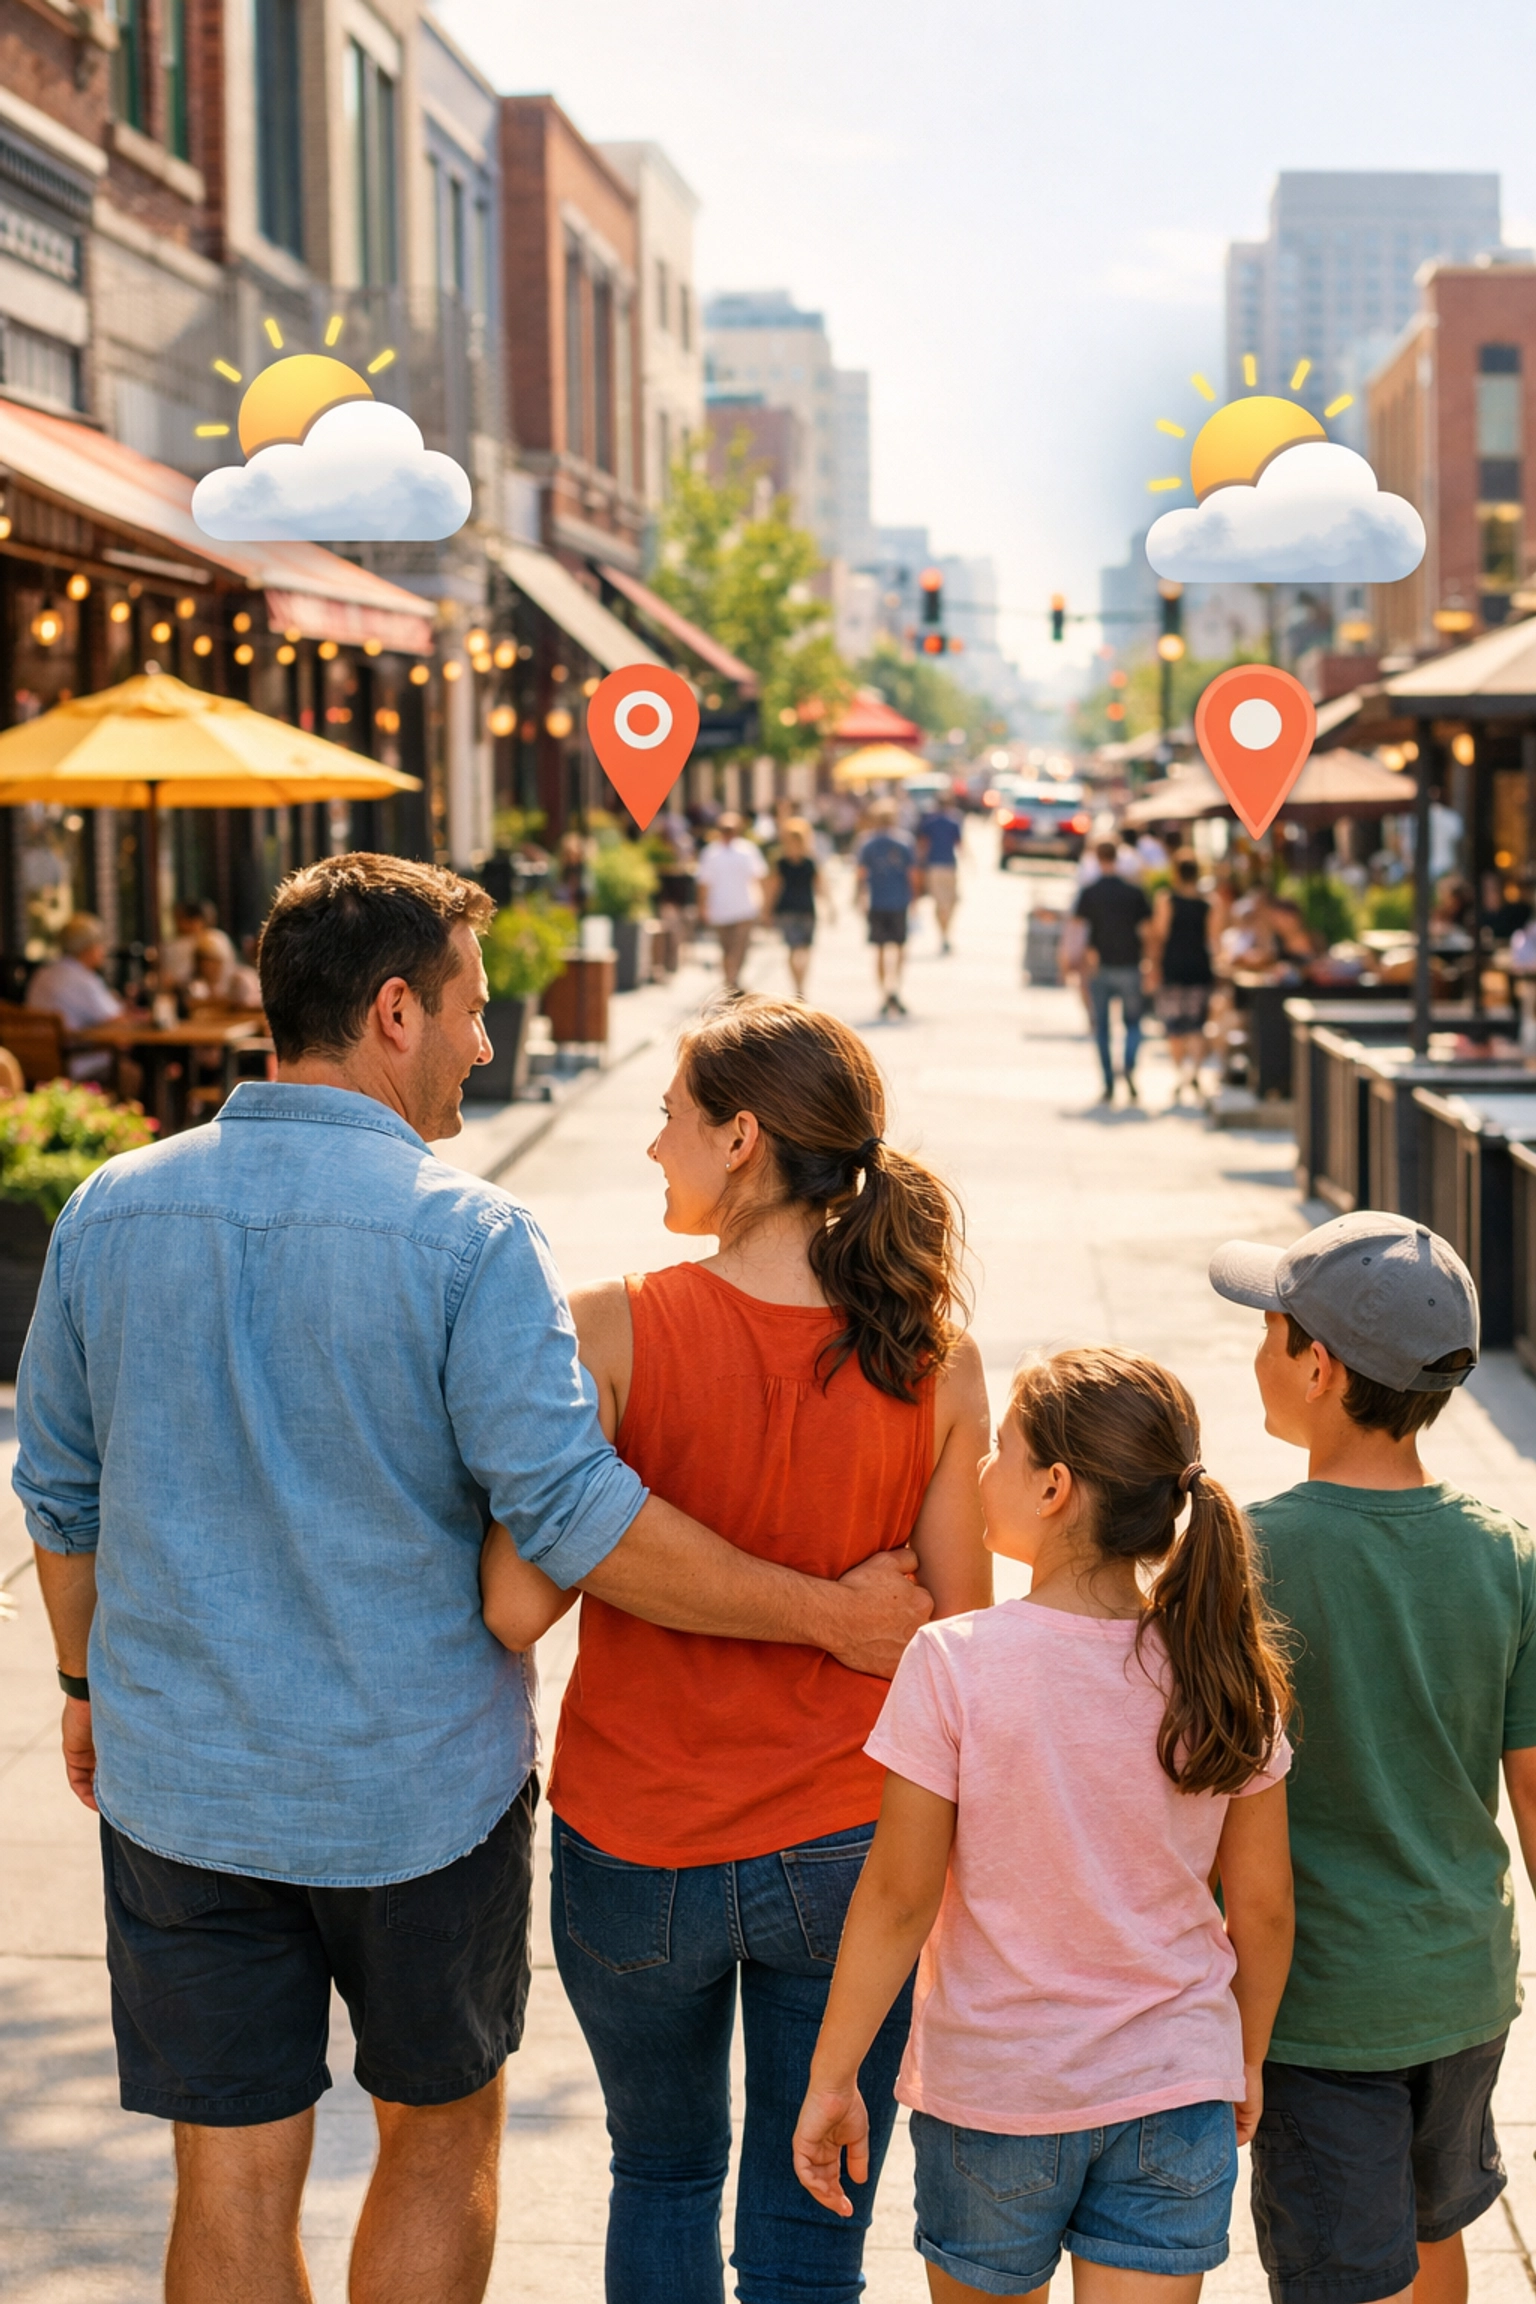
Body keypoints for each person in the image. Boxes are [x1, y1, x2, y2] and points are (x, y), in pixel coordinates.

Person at [14, 854, 928, 2304]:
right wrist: (830, 1612)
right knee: (436, 2147)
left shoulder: (111, 1213)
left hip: (183, 1786)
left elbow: (58, 1494)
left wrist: (81, 1684)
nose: (488, 1043)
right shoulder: (469, 1236)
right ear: (393, 1012)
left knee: (230, 2170)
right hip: (419, 1795)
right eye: (472, 1011)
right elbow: (571, 1517)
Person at [481, 995, 993, 2304]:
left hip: (637, 1839)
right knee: (815, 2201)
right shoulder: (933, 1357)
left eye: (669, 1121)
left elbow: (517, 1607)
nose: (655, 1148)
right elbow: (960, 1646)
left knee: (657, 2172)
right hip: (849, 1846)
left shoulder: (610, 1329)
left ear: (741, 1139)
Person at [793, 1344, 1295, 2304]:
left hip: (997, 2095)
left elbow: (900, 1898)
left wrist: (833, 2076)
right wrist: (1244, 2058)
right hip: (1173, 2085)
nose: (981, 1469)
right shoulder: (1224, 1671)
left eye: (1001, 1450)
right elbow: (1264, 1909)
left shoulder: (954, 1664)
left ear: (1055, 1486)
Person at [1208, 1211, 1536, 2304]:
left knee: (1348, 2273)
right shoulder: (1506, 1556)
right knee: (1435, 2229)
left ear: (1317, 1365)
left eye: (1269, 1329)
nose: (1256, 1348)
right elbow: (1531, 1794)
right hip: (1464, 1985)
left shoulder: (1247, 1553)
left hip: (1322, 2009)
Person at [1073, 838, 1153, 1103]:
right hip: (1130, 964)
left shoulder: (1091, 891)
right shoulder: (1133, 892)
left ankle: (1108, 1081)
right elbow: (1147, 930)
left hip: (1101, 966)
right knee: (1133, 1023)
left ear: (1097, 858)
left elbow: (1079, 928)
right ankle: (1128, 1065)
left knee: (1103, 1028)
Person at [27, 913, 127, 1082]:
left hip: (36, 1067)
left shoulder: (41, 974)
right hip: (75, 1065)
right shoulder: (83, 979)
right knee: (131, 1074)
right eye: (100, 944)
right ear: (88, 948)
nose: (103, 950)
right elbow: (118, 1020)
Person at [1149, 851, 1216, 1103]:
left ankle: (1180, 1075)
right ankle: (1194, 1074)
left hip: (1174, 968)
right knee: (1197, 1025)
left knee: (1175, 1026)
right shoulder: (1208, 903)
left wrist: (1152, 965)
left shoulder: (1167, 900)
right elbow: (1214, 939)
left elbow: (1159, 934)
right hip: (1199, 967)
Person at [857, 798, 918, 1019]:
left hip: (878, 901)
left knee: (880, 950)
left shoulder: (867, 843)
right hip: (899, 901)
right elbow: (912, 874)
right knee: (900, 948)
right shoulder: (904, 841)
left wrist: (859, 897)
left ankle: (885, 993)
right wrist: (915, 899)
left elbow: (861, 875)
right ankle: (895, 989)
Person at [695, 812, 767, 992]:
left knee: (740, 948)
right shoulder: (711, 853)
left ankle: (733, 979)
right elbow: (704, 883)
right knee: (727, 948)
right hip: (721, 909)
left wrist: (763, 903)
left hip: (744, 907)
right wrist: (703, 906)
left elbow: (759, 877)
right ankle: (730, 981)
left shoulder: (747, 850)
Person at [765, 816, 825, 998]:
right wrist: (767, 909)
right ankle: (799, 987)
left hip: (797, 908)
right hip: (796, 909)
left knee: (799, 949)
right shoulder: (800, 862)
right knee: (798, 949)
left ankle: (799, 987)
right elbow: (774, 887)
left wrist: (767, 909)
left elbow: (820, 885)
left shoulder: (801, 862)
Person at [917, 791, 965, 953]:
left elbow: (922, 846)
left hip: (934, 867)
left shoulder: (929, 822)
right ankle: (945, 934)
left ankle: (943, 933)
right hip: (948, 866)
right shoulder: (953, 822)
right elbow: (960, 845)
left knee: (942, 903)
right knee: (950, 902)